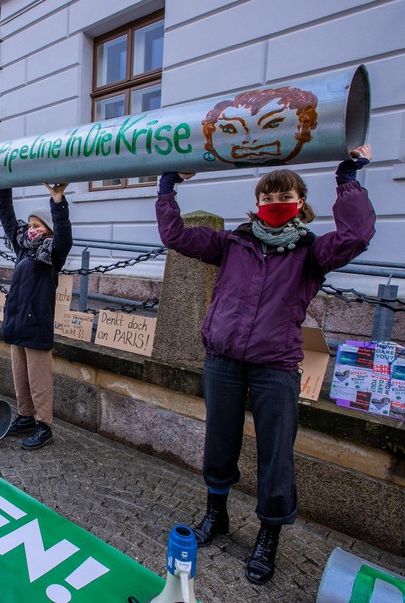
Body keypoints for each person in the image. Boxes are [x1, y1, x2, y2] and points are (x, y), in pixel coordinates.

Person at [155, 145, 375, 584]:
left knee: (276, 455)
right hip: (223, 360)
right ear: (257, 204)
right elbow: (175, 235)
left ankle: (268, 537)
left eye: (284, 197)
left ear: (299, 204)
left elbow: (355, 236)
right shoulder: (232, 242)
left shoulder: (313, 253)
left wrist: (348, 178)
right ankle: (216, 516)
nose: (276, 204)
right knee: (219, 442)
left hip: (276, 366)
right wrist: (168, 184)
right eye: (268, 197)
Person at [0, 183, 73, 450]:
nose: (32, 229)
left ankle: (44, 425)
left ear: (48, 230)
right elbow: (7, 218)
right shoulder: (23, 250)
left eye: (38, 226)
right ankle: (26, 416)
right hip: (17, 323)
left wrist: (57, 202)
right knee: (20, 376)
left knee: (39, 380)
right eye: (30, 225)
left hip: (36, 326)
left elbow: (65, 237)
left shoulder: (52, 255)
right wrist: (2, 189)